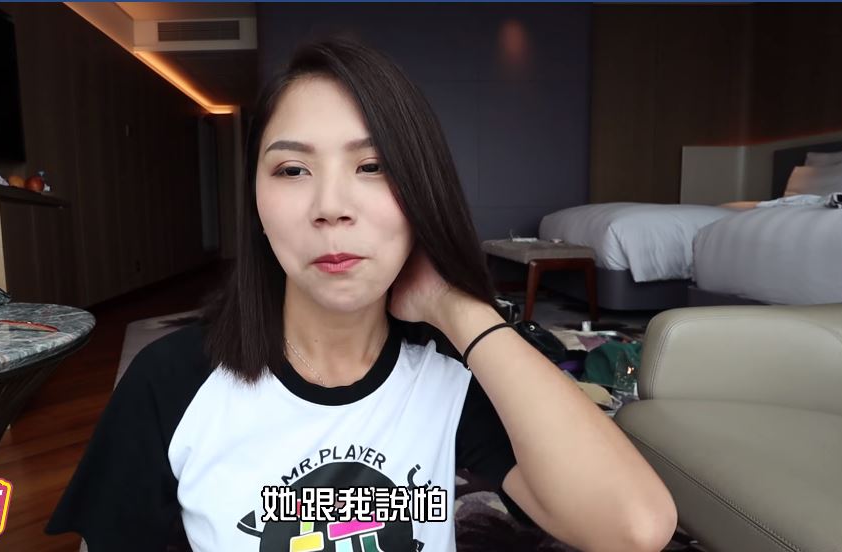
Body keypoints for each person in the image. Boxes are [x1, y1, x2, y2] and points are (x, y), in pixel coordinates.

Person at [45, 37, 677, 552]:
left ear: (421, 192)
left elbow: (633, 527)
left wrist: (459, 310)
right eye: (293, 169)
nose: (331, 206)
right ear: (256, 204)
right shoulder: (171, 382)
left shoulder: (453, 379)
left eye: (372, 166)